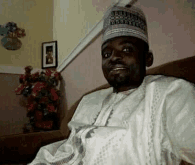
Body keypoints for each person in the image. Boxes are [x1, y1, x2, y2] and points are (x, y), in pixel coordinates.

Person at [29, 0, 195, 164]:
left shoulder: (173, 93)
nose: (114, 57)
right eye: (106, 54)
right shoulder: (88, 101)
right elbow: (68, 149)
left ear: (147, 58)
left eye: (126, 49)